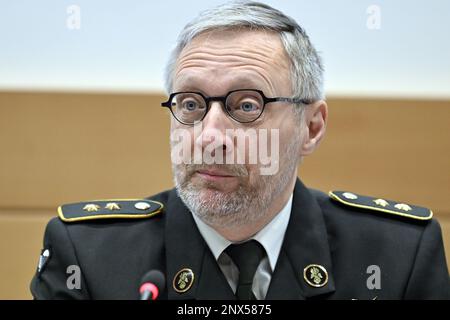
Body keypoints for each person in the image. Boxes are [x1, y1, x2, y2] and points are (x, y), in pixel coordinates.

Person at [30, 1, 449, 300]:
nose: (210, 137)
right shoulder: (88, 255)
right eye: (191, 105)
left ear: (312, 127)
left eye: (247, 106)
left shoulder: (397, 256)